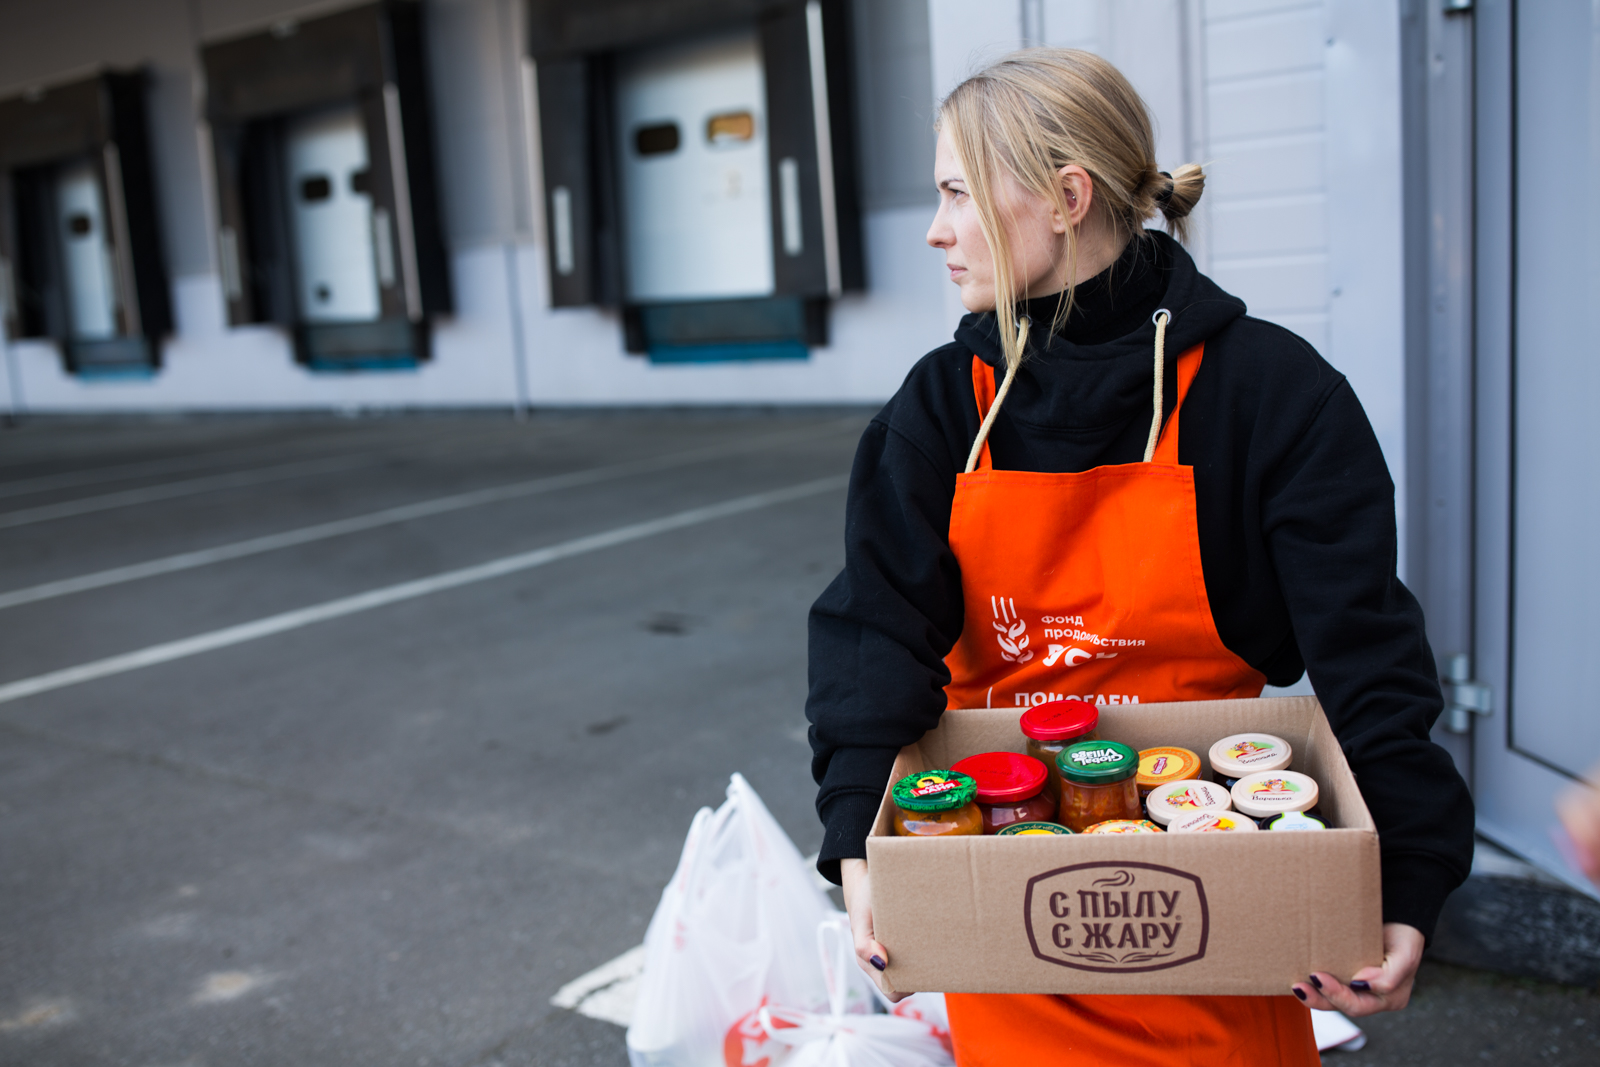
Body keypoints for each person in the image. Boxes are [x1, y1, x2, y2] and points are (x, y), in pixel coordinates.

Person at [805, 49, 1476, 1065]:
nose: (937, 231)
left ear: (1068, 195)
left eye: (956, 193)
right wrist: (861, 834)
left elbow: (1367, 652)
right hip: (1005, 879)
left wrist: (1408, 874)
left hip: (1216, 882)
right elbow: (873, 632)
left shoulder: (1271, 397)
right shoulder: (942, 407)